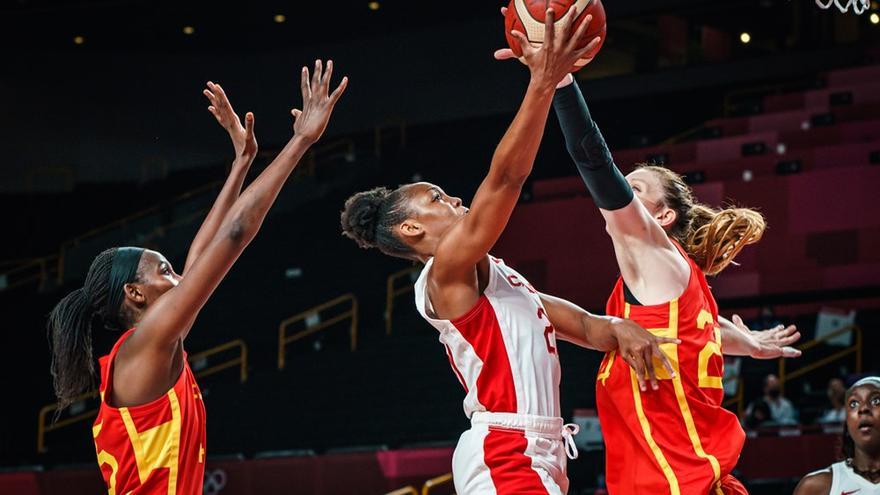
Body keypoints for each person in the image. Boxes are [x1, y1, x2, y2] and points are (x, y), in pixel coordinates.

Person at [341, 10, 676, 495]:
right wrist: (544, 82)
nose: (453, 199)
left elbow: (580, 326)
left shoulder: (499, 280)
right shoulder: (444, 273)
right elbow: (505, 179)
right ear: (411, 227)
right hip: (505, 449)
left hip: (539, 450)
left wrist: (620, 328)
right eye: (437, 198)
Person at [492, 8, 803, 490]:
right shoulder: (673, 290)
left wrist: (560, 81)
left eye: (636, 190)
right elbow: (709, 335)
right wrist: (752, 344)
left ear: (662, 218)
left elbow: (593, 160)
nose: (623, 195)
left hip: (678, 481)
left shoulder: (656, 259)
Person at [47, 61, 347, 494]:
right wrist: (300, 142)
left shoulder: (152, 343)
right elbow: (236, 234)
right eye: (164, 272)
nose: (179, 278)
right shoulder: (146, 344)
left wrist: (241, 164)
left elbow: (203, 253)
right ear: (134, 293)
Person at [794, 376, 880, 494]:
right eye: (854, 403)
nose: (863, 408)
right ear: (847, 422)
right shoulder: (816, 487)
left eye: (876, 401)